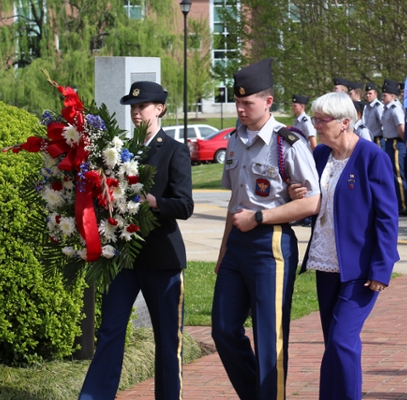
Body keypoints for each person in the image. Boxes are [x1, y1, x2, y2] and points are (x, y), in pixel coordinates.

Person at [211, 58, 321, 400]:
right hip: (237, 246)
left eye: (248, 103)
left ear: (268, 101)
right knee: (224, 329)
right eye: (238, 102)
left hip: (270, 244)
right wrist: (223, 252)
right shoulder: (234, 140)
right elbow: (234, 201)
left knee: (268, 334)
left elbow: (312, 201)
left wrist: (259, 218)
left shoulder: (287, 142)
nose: (241, 109)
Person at [79, 81, 194, 400]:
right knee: (110, 331)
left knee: (168, 340)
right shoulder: (119, 148)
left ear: (159, 109)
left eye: (142, 107)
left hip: (162, 258)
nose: (136, 112)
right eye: (132, 107)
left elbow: (185, 205)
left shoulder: (174, 150)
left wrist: (156, 202)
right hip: (124, 258)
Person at [289, 91, 399, 400]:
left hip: (359, 269)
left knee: (342, 341)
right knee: (334, 345)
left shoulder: (371, 156)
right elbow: (313, 200)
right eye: (315, 119)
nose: (316, 126)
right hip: (326, 263)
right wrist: (296, 193)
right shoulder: (321, 155)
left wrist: (382, 267)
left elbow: (387, 218)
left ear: (345, 123)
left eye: (322, 120)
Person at [380, 80, 407, 214]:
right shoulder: (387, 108)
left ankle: (403, 204)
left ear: (392, 96)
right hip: (389, 142)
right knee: (393, 173)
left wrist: (405, 143)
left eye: (385, 95)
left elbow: (401, 128)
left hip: (397, 143)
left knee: (398, 174)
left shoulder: (395, 109)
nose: (382, 97)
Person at [364, 82, 384, 149]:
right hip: (370, 138)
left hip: (378, 139)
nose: (367, 95)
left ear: (376, 95)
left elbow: (383, 124)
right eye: (366, 93)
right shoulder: (367, 107)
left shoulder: (378, 107)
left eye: (370, 93)